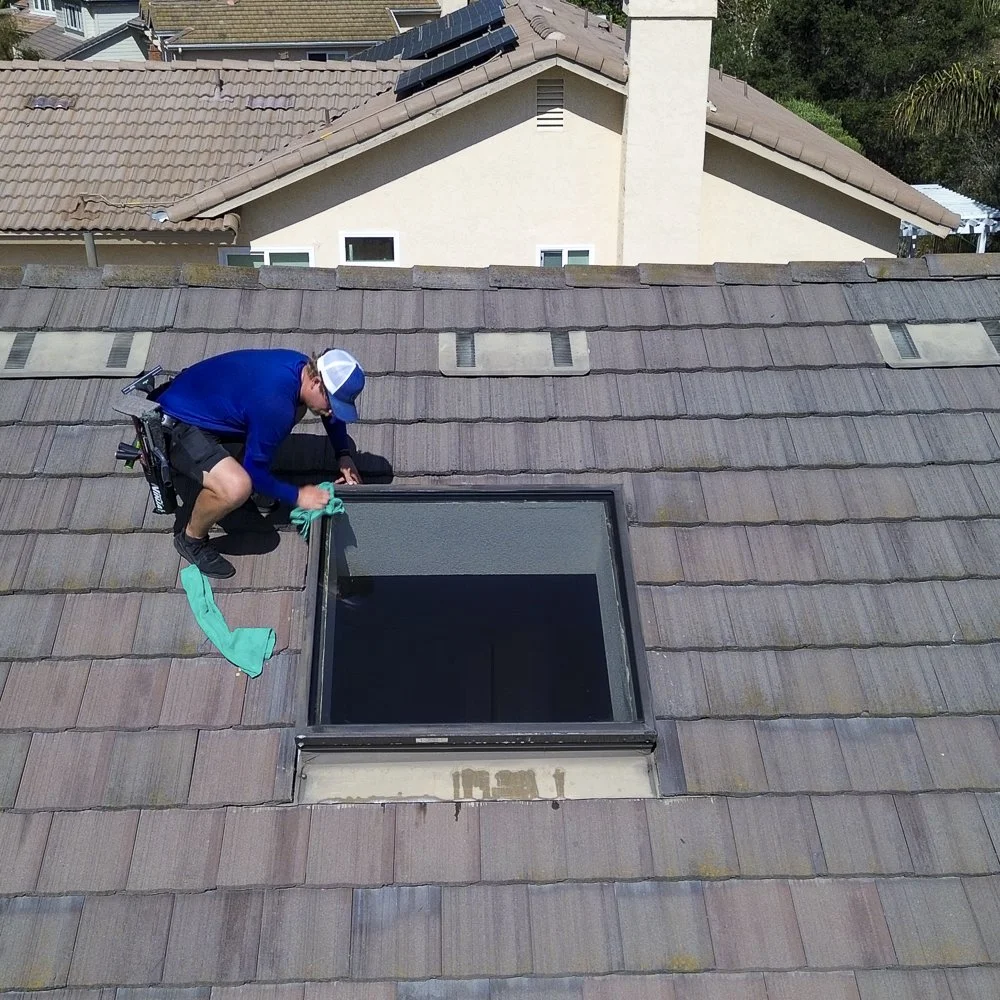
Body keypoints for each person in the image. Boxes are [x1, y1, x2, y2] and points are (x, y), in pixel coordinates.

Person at [155, 347, 365, 579]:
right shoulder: (277, 404)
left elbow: (328, 412)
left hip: (198, 401)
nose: (331, 410)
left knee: (296, 410)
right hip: (175, 423)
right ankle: (190, 539)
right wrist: (299, 495)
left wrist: (343, 453)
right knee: (237, 487)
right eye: (332, 402)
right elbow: (255, 472)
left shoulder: (302, 368)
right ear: (316, 382)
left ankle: (237, 471)